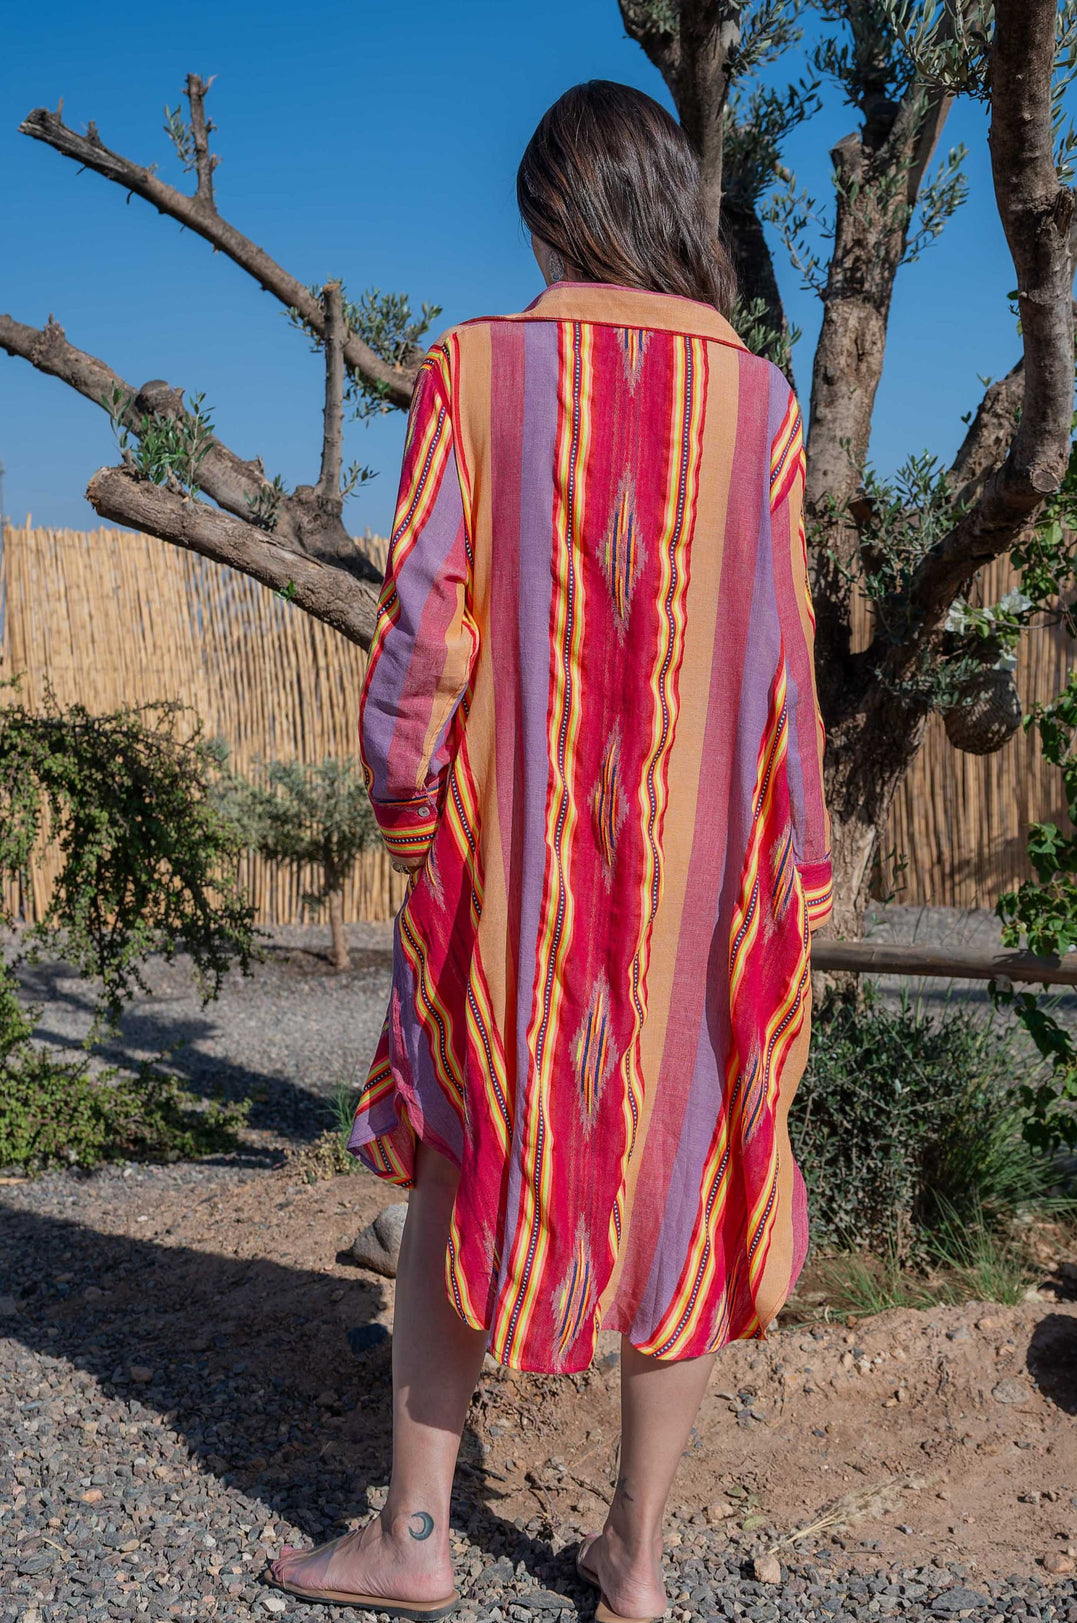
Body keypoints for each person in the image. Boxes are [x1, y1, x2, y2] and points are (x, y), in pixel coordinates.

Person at [268, 79, 832, 1623]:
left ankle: (416, 1539)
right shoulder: (762, 406)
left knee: (465, 1149)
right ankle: (634, 1560)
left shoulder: (476, 369)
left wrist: (410, 813)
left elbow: (424, 628)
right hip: (706, 883)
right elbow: (785, 666)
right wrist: (797, 877)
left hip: (511, 871)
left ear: (552, 215)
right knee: (688, 1171)